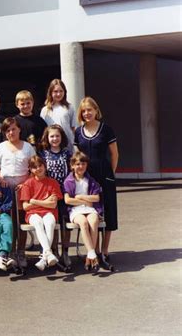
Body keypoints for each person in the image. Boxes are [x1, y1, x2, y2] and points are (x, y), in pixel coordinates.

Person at [74, 97, 119, 270]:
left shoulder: (106, 129)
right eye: (84, 111)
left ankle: (105, 251)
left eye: (89, 110)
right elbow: (77, 157)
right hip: (87, 177)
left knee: (108, 213)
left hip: (105, 175)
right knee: (91, 212)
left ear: (96, 110)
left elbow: (114, 154)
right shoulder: (78, 132)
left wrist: (111, 174)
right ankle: (93, 250)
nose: (87, 113)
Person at [0, 117, 35, 268]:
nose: (11, 132)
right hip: (5, 188)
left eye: (13, 129)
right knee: (9, 222)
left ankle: (21, 252)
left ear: (19, 130)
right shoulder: (1, 147)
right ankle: (10, 252)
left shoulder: (28, 147)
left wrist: (25, 183)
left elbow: (33, 169)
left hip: (23, 188)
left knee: (21, 221)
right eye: (8, 130)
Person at [38, 124, 72, 267]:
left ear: (61, 137)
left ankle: (65, 251)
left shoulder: (67, 153)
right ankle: (54, 251)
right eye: (52, 136)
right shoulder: (43, 154)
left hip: (64, 191)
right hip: (49, 193)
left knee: (66, 223)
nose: (54, 138)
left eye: (57, 136)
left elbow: (72, 172)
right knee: (53, 222)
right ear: (47, 138)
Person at [63, 151, 103, 272]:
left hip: (90, 208)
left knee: (94, 221)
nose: (81, 167)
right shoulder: (68, 181)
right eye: (78, 164)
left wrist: (80, 197)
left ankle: (89, 256)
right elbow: (68, 200)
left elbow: (96, 198)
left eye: (83, 164)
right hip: (75, 210)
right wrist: (85, 201)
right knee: (83, 223)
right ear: (73, 166)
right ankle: (92, 253)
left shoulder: (90, 180)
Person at [20, 156, 62, 271]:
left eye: (40, 166)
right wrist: (45, 202)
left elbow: (53, 205)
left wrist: (34, 201)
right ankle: (48, 253)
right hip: (32, 214)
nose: (38, 169)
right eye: (34, 167)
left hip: (49, 212)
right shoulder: (28, 183)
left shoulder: (53, 182)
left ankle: (44, 257)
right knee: (38, 222)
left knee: (50, 223)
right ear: (30, 169)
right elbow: (25, 206)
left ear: (45, 166)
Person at [40, 79, 77, 152]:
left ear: (65, 92)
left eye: (61, 91)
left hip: (68, 146)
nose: (58, 94)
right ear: (50, 92)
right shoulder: (45, 110)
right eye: (55, 91)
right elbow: (43, 131)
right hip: (52, 147)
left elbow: (73, 128)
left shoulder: (69, 107)